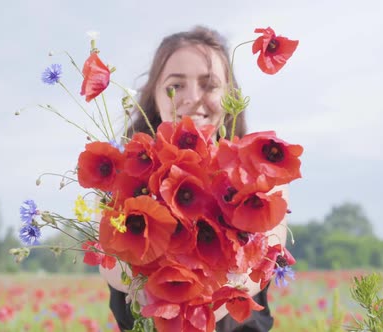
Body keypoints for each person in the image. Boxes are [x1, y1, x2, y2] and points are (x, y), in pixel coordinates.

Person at [100, 25, 289, 332]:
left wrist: (186, 307)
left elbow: (255, 272)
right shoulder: (116, 170)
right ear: (155, 95)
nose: (193, 99)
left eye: (209, 85)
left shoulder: (264, 175)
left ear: (229, 95)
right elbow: (113, 267)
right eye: (176, 85)